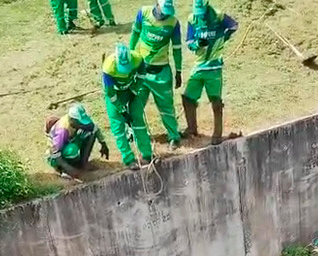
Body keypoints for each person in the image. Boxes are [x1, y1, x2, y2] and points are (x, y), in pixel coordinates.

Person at [183, 0, 239, 146]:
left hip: (214, 68)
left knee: (216, 101)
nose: (200, 15)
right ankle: (191, 128)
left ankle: (217, 134)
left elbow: (234, 25)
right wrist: (197, 44)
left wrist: (223, 38)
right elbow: (189, 41)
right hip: (199, 66)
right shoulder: (192, 19)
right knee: (188, 97)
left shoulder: (218, 16)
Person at [130, 0, 183, 151]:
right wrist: (131, 59)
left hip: (161, 73)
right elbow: (135, 34)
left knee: (167, 108)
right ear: (157, 4)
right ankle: (133, 132)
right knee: (135, 105)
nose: (165, 14)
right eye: (163, 10)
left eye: (168, 11)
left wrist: (179, 71)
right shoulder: (143, 13)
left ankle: (174, 136)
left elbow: (177, 48)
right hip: (141, 72)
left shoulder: (173, 23)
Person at [102, 43, 152, 170]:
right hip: (115, 94)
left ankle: (147, 154)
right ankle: (128, 159)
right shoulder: (108, 68)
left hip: (131, 89)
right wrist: (122, 110)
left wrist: (135, 90)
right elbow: (110, 93)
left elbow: (142, 75)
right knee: (118, 127)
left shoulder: (137, 59)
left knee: (137, 120)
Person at [45, 103, 110, 180]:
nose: (82, 125)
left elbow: (94, 128)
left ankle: (83, 163)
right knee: (72, 150)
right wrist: (70, 169)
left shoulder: (80, 122)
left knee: (89, 133)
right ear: (72, 120)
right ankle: (64, 170)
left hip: (71, 140)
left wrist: (103, 144)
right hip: (55, 154)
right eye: (80, 123)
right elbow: (55, 154)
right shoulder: (62, 131)